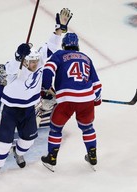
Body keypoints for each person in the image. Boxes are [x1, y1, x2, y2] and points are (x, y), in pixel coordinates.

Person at [0, 8, 73, 178]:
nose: (35, 65)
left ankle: (18, 153)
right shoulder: (14, 68)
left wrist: (60, 28)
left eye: (35, 61)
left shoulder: (39, 61)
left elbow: (52, 44)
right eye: (31, 62)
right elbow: (8, 67)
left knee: (29, 140)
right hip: (10, 110)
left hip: (28, 109)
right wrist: (19, 55)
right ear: (24, 61)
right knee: (3, 142)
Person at [40, 33, 102, 171]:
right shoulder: (86, 58)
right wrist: (96, 99)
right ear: (77, 45)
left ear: (64, 44)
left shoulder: (59, 55)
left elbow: (47, 70)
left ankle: (51, 157)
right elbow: (97, 84)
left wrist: (46, 88)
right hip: (86, 99)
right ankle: (92, 155)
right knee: (88, 128)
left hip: (66, 99)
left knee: (56, 128)